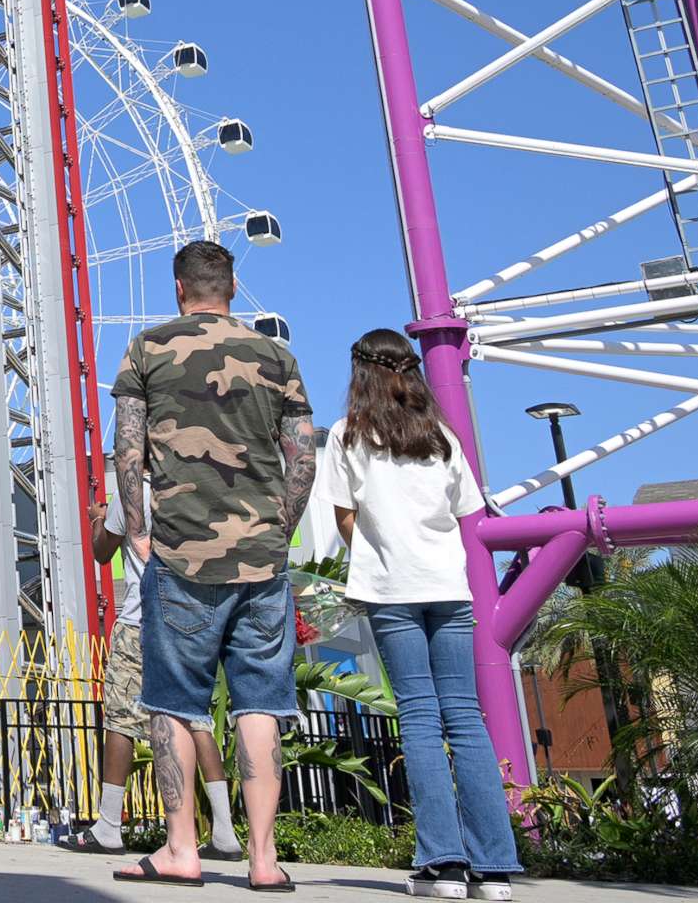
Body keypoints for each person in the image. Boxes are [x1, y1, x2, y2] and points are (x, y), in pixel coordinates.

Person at [109, 239, 317, 890]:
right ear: (231, 286)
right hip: (261, 558)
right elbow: (304, 457)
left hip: (181, 554)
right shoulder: (275, 354)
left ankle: (180, 849)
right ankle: (262, 859)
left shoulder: (148, 349)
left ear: (179, 287)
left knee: (171, 701)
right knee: (260, 703)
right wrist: (281, 525)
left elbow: (127, 450)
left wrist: (138, 529)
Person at [322, 331, 519, 903]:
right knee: (465, 716)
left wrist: (383, 551)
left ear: (360, 372)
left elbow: (344, 518)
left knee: (420, 719)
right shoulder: (442, 437)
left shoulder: (348, 437)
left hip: (391, 590)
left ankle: (444, 864)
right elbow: (466, 513)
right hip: (449, 589)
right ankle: (495, 870)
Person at [61, 484, 245, 859]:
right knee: (197, 721)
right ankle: (224, 832)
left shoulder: (132, 493)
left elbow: (102, 552)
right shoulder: (193, 485)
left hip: (141, 620)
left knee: (120, 720)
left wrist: (99, 520)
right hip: (191, 621)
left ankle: (109, 826)